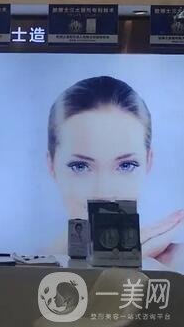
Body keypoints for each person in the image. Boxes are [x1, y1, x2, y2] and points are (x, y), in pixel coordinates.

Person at [46, 75, 184, 271]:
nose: (104, 193)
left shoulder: (174, 264)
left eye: (126, 165)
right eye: (80, 166)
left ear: (148, 162)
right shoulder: (19, 269)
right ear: (51, 165)